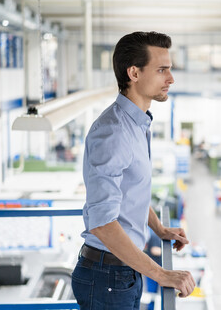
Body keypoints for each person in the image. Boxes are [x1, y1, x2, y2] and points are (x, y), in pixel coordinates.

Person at [71, 31, 196, 310]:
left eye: (170, 70)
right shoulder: (115, 132)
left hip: (121, 271)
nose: (171, 79)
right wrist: (162, 273)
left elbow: (130, 193)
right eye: (162, 70)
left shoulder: (137, 125)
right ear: (134, 73)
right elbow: (102, 223)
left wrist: (158, 228)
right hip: (107, 276)